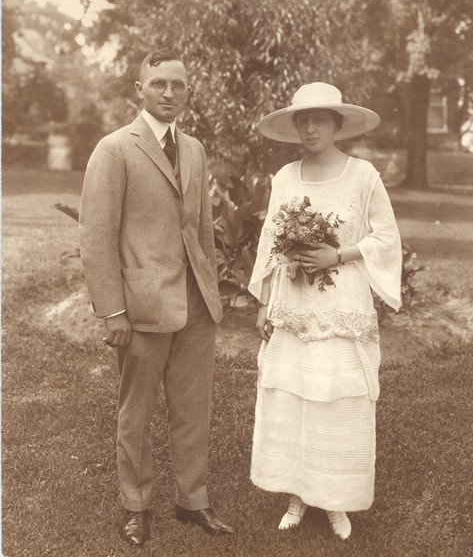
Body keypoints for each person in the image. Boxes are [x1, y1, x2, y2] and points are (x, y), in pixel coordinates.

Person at [79, 49, 234, 546]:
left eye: (178, 86)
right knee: (137, 412)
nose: (169, 93)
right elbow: (97, 236)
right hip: (142, 308)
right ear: (139, 91)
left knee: (193, 409)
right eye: (159, 84)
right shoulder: (115, 149)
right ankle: (136, 506)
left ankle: (193, 502)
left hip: (194, 305)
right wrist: (113, 311)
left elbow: (203, 231)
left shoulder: (194, 149)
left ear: (187, 92)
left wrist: (211, 292)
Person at [248, 82, 402, 540]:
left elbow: (387, 236)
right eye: (303, 119)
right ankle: (297, 495)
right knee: (295, 394)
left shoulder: (363, 175)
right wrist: (264, 302)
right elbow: (270, 245)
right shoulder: (285, 178)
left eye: (320, 119)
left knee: (336, 397)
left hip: (340, 302)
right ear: (295, 125)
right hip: (294, 303)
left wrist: (339, 255)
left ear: (337, 124)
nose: (311, 127)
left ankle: (336, 499)